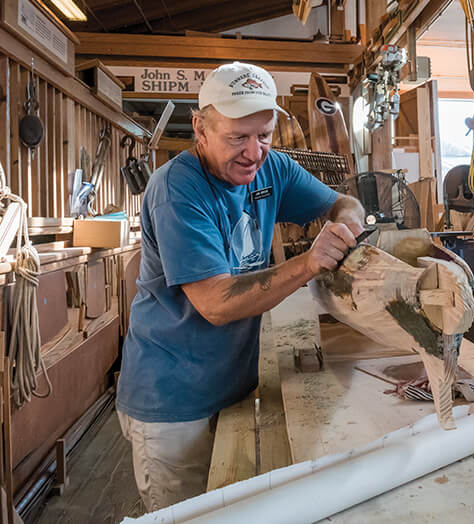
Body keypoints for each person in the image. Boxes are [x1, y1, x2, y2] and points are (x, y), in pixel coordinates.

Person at [115, 62, 365, 511]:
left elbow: (343, 201)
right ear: (200, 128)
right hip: (173, 398)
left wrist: (346, 228)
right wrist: (310, 263)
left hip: (232, 385)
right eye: (237, 138)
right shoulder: (177, 189)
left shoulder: (273, 169)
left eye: (264, 135)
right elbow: (215, 303)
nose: (254, 152)